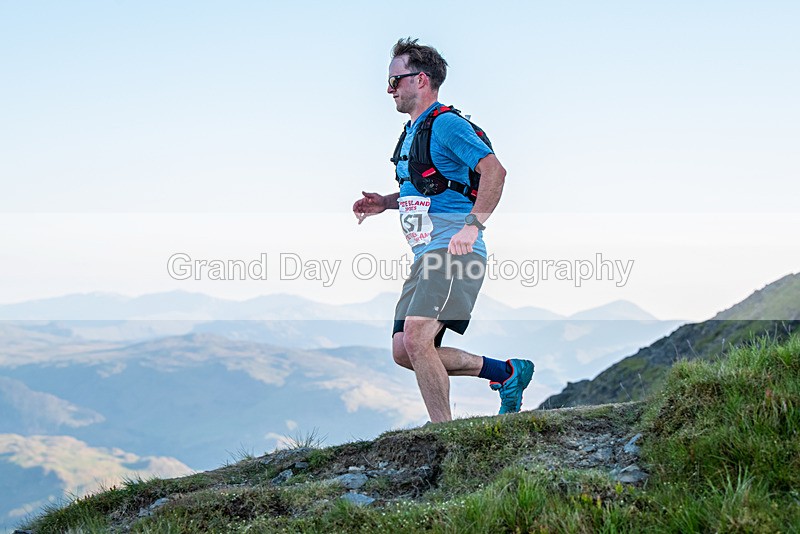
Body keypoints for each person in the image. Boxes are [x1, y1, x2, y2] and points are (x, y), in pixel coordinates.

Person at [352, 38, 534, 423]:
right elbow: (429, 192)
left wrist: (474, 225)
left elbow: (495, 172)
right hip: (425, 256)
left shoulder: (447, 124)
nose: (389, 90)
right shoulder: (412, 132)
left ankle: (442, 435)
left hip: (453, 251)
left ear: (420, 80)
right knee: (405, 350)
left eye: (394, 81)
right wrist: (385, 202)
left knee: (418, 337)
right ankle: (507, 374)